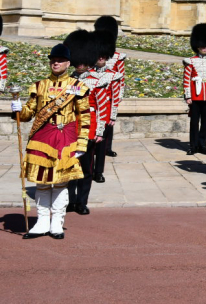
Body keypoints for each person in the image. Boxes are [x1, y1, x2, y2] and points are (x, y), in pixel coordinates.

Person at [11, 41, 91, 239]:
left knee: (61, 183)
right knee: (42, 182)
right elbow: (29, 113)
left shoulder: (77, 87)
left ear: (68, 63)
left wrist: (82, 143)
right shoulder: (39, 86)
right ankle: (41, 221)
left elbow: (84, 117)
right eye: (53, 60)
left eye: (60, 60)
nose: (56, 63)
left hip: (65, 139)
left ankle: (57, 222)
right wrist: (18, 109)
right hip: (42, 138)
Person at [67, 30, 110, 216]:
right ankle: (70, 200)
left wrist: (99, 132)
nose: (80, 65)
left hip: (89, 129)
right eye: (77, 61)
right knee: (69, 167)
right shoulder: (66, 81)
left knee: (86, 169)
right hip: (69, 129)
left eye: (83, 62)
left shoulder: (96, 81)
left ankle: (82, 202)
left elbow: (102, 108)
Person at [183, 23, 206, 156]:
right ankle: (193, 145)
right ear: (197, 46)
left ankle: (202, 145)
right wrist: (188, 96)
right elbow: (186, 79)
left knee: (205, 123)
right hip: (195, 96)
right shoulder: (190, 61)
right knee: (194, 122)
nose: (204, 48)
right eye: (202, 46)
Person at [94, 15, 125, 159]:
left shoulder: (118, 57)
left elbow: (121, 76)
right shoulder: (94, 55)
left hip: (111, 93)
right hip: (96, 92)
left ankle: (107, 147)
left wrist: (119, 95)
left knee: (109, 123)